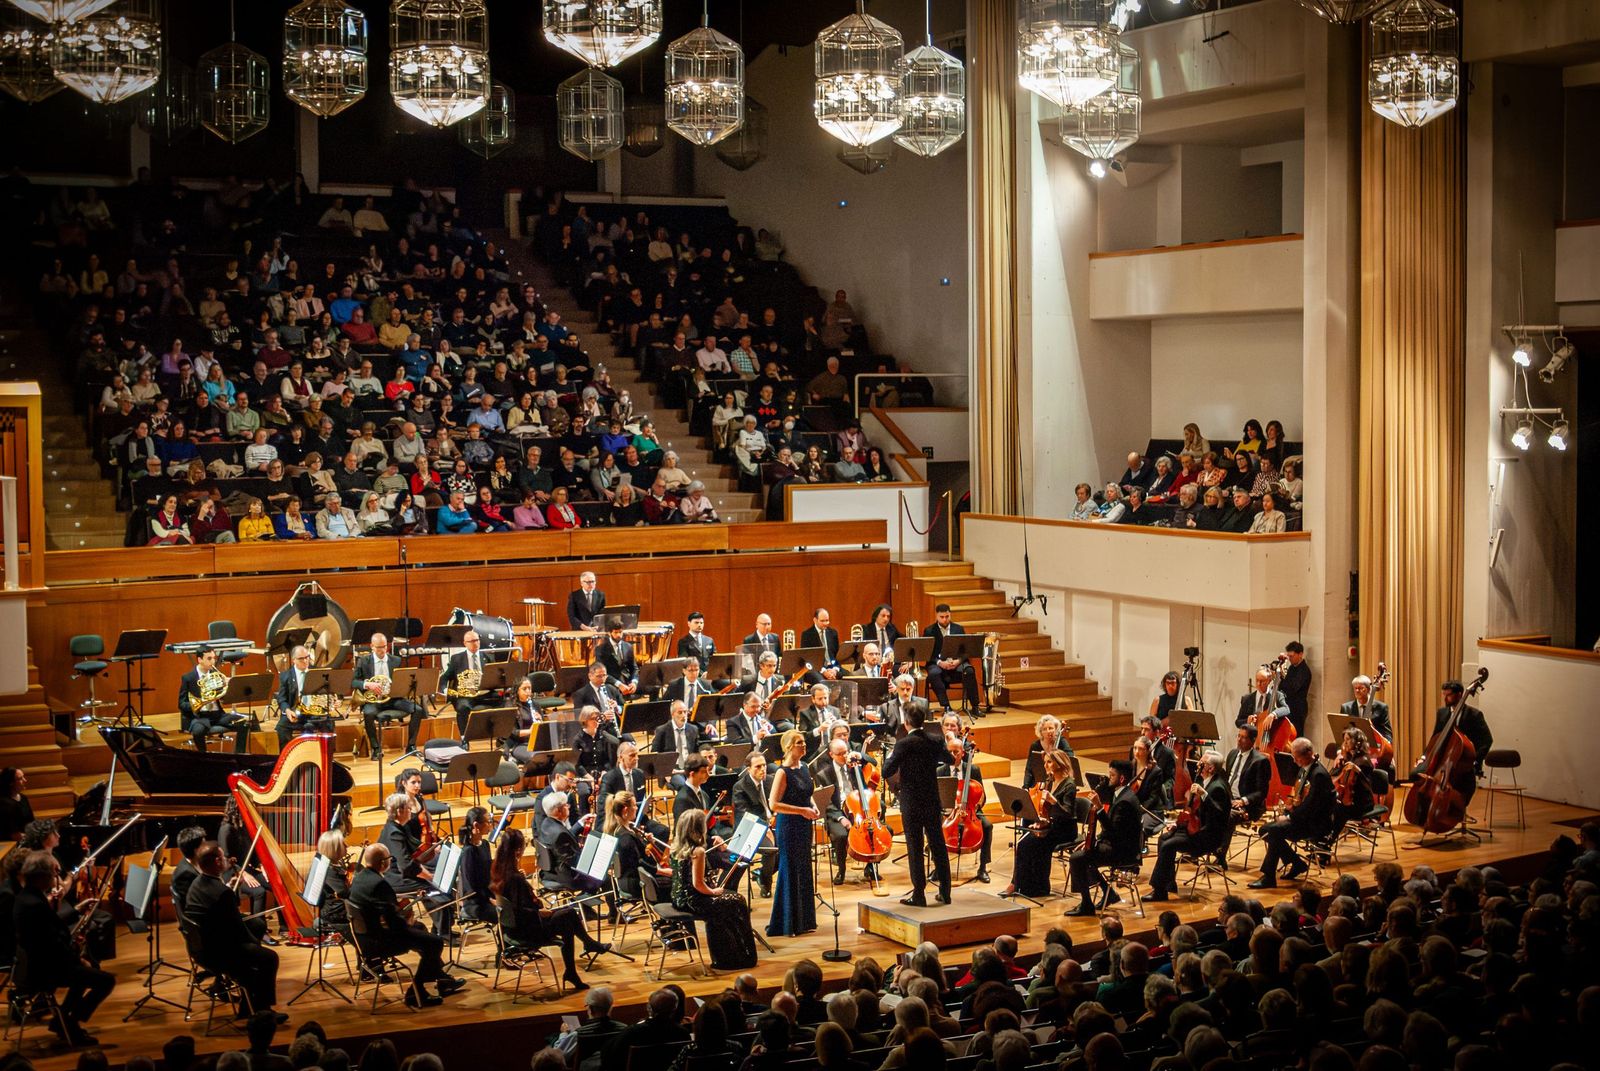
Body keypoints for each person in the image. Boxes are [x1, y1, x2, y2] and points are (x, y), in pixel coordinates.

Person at [12, 851, 115, 1046]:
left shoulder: (28, 897)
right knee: (106, 981)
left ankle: (63, 1022)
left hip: (35, 966)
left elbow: (50, 927)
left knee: (84, 973)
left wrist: (75, 910)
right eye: (54, 873)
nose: (56, 878)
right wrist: (77, 958)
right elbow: (51, 948)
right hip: (44, 971)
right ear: (42, 876)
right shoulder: (35, 905)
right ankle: (69, 1022)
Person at [491, 826, 608, 991]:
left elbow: (514, 902)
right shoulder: (514, 878)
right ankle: (582, 955)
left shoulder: (499, 869)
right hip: (527, 931)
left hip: (512, 930)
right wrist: (539, 911)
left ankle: (577, 964)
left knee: (567, 918)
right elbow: (519, 911)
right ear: (518, 851)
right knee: (568, 915)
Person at [349, 843, 464, 1007]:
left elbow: (381, 909)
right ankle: (416, 993)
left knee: (422, 930)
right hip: (380, 942)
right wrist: (407, 922)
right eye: (389, 859)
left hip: (364, 938)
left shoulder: (360, 877)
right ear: (383, 863)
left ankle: (443, 980)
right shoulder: (379, 884)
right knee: (435, 942)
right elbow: (395, 925)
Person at [185, 841, 283, 1020]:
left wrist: (229, 888)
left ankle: (248, 1003)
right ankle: (263, 1009)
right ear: (216, 862)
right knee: (269, 958)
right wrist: (256, 945)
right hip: (220, 952)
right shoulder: (222, 893)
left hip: (200, 947)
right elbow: (238, 931)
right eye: (223, 857)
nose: (226, 860)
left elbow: (220, 912)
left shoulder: (197, 884)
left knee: (259, 925)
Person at [881, 701, 951, 906]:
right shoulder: (935, 740)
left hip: (911, 802)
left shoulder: (904, 744)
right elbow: (948, 758)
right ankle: (945, 892)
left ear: (906, 722)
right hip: (931, 799)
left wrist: (892, 757)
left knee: (915, 846)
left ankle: (919, 894)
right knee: (938, 844)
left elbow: (886, 771)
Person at [669, 809, 757, 970]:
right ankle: (740, 956)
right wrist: (714, 892)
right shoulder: (698, 851)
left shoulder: (676, 847)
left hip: (678, 897)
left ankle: (727, 955)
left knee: (728, 904)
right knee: (737, 901)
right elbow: (698, 884)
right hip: (694, 900)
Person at [1147, 751, 1233, 902]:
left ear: (1211, 768)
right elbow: (1193, 811)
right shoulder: (1204, 782)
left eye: (1202, 763)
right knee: (1163, 839)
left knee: (1168, 846)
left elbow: (1218, 814)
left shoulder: (1218, 787)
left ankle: (1159, 891)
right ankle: (1169, 883)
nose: (1198, 765)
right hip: (1195, 829)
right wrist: (1177, 823)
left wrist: (1204, 795)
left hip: (1207, 836)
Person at [1249, 738, 1335, 888]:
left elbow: (1311, 806)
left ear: (1308, 754)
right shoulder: (1306, 768)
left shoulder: (1318, 774)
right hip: (1304, 818)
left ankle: (1269, 876)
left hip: (1316, 824)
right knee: (1265, 830)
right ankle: (1296, 863)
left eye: (1297, 757)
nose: (1294, 761)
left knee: (1273, 832)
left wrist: (1289, 817)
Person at [1067, 759, 1142, 915]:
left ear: (1121, 779)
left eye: (1112, 775)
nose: (1109, 778)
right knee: (1084, 853)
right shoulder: (1121, 795)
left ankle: (1086, 904)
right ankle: (1110, 894)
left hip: (1123, 852)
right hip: (1116, 845)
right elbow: (1111, 832)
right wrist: (1091, 842)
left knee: (1077, 859)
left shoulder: (1125, 802)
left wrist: (1100, 808)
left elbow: (1114, 832)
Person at [1003, 750, 1076, 898]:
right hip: (1051, 826)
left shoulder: (1069, 785)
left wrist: (1053, 801)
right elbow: (1045, 811)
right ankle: (1022, 885)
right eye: (1045, 762)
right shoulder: (1049, 782)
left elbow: (1067, 814)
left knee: (1032, 844)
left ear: (1059, 763)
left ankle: (1032, 887)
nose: (1046, 765)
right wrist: (1040, 821)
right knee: (1023, 843)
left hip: (1064, 830)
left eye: (1049, 762)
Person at [766, 730, 817, 937]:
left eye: (804, 742)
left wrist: (813, 806)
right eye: (799, 743)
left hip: (804, 824)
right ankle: (787, 923)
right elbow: (774, 804)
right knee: (789, 870)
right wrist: (802, 811)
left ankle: (804, 921)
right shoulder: (782, 772)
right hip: (790, 826)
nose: (803, 745)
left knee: (804, 868)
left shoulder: (804, 767)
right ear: (788, 747)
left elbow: (807, 795)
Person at [354, 632, 423, 762]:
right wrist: (367, 684)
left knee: (418, 710)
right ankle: (376, 748)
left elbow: (403, 679)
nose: (382, 650)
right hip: (374, 700)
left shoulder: (395, 660)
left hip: (393, 699)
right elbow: (353, 682)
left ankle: (411, 746)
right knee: (368, 713)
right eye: (379, 647)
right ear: (372, 646)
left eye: (385, 646)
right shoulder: (363, 661)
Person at [937, 732, 993, 883]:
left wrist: (974, 806)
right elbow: (937, 798)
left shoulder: (973, 770)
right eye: (950, 752)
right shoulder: (940, 771)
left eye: (956, 751)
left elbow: (982, 796)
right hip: (948, 811)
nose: (953, 755)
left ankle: (983, 868)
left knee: (987, 826)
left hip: (970, 810)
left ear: (963, 753)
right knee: (933, 825)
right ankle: (938, 868)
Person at [1416, 679, 1493, 778]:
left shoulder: (1474, 715)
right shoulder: (1442, 713)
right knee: (1416, 773)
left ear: (1459, 694)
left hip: (1463, 763)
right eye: (1444, 695)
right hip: (1442, 760)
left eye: (1449, 695)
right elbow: (1435, 738)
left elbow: (1487, 740)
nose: (1445, 699)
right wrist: (1424, 757)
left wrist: (1475, 760)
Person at [178, 647, 250, 753]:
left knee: (244, 723)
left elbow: (223, 698)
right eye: (209, 658)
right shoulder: (188, 678)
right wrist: (197, 704)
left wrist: (229, 686)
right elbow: (181, 704)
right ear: (199, 660)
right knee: (198, 732)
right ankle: (204, 758)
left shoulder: (216, 676)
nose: (213, 661)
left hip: (218, 715)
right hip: (200, 717)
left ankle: (239, 755)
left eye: (214, 658)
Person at [732, 750, 777, 898]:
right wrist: (765, 827)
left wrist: (776, 816)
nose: (763, 769)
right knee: (770, 850)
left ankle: (761, 872)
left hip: (773, 823)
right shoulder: (740, 787)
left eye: (764, 765)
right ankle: (766, 882)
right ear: (748, 768)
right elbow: (745, 815)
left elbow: (779, 803)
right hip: (751, 828)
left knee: (790, 844)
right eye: (758, 766)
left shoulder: (771, 781)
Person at [923, 604, 980, 716]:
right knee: (933, 674)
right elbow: (927, 653)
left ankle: (975, 706)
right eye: (942, 617)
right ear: (937, 616)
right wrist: (940, 663)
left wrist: (958, 661)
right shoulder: (929, 630)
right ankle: (946, 706)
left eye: (947, 616)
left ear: (950, 614)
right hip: (938, 664)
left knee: (969, 671)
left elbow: (965, 651)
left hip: (956, 663)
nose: (945, 619)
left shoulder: (958, 629)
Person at [439, 628, 500, 735]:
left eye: (477, 640)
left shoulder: (488, 657)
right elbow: (444, 678)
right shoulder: (456, 659)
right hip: (465, 695)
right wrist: (445, 690)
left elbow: (495, 676)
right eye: (471, 641)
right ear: (465, 643)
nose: (475, 643)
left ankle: (502, 736)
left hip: (485, 693)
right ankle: (464, 738)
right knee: (462, 708)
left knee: (506, 702)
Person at [275, 645, 336, 748]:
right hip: (296, 713)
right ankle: (288, 757)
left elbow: (329, 691)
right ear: (294, 660)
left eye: (307, 657)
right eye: (301, 658)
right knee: (281, 727)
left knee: (328, 722)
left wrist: (333, 701)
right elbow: (282, 698)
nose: (305, 660)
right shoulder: (286, 676)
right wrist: (288, 711)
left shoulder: (318, 672)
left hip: (315, 712)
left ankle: (327, 755)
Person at [1328, 728, 1376, 843]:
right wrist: (1341, 762)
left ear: (1357, 742)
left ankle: (1327, 843)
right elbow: (1335, 778)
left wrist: (1357, 770)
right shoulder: (1349, 758)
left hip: (1362, 803)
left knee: (1338, 810)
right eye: (1344, 740)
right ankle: (1323, 841)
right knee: (1329, 805)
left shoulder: (1364, 761)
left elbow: (1362, 786)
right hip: (1349, 801)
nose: (1345, 744)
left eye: (1348, 740)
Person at [1340, 674, 1394, 754]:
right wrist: (1340, 751)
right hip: (1351, 751)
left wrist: (1385, 748)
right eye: (1355, 688)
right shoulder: (1346, 708)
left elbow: (1387, 734)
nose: (1357, 691)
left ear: (1369, 689)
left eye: (1361, 688)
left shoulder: (1381, 708)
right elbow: (1341, 733)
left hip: (1374, 750)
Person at [1279, 641, 1311, 735]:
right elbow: (1283, 687)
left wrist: (1283, 675)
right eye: (1288, 656)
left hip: (1298, 709)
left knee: (1296, 734)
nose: (1289, 659)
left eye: (1291, 656)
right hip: (1289, 706)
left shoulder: (1304, 671)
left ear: (1300, 654)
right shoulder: (1292, 668)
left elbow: (1292, 689)